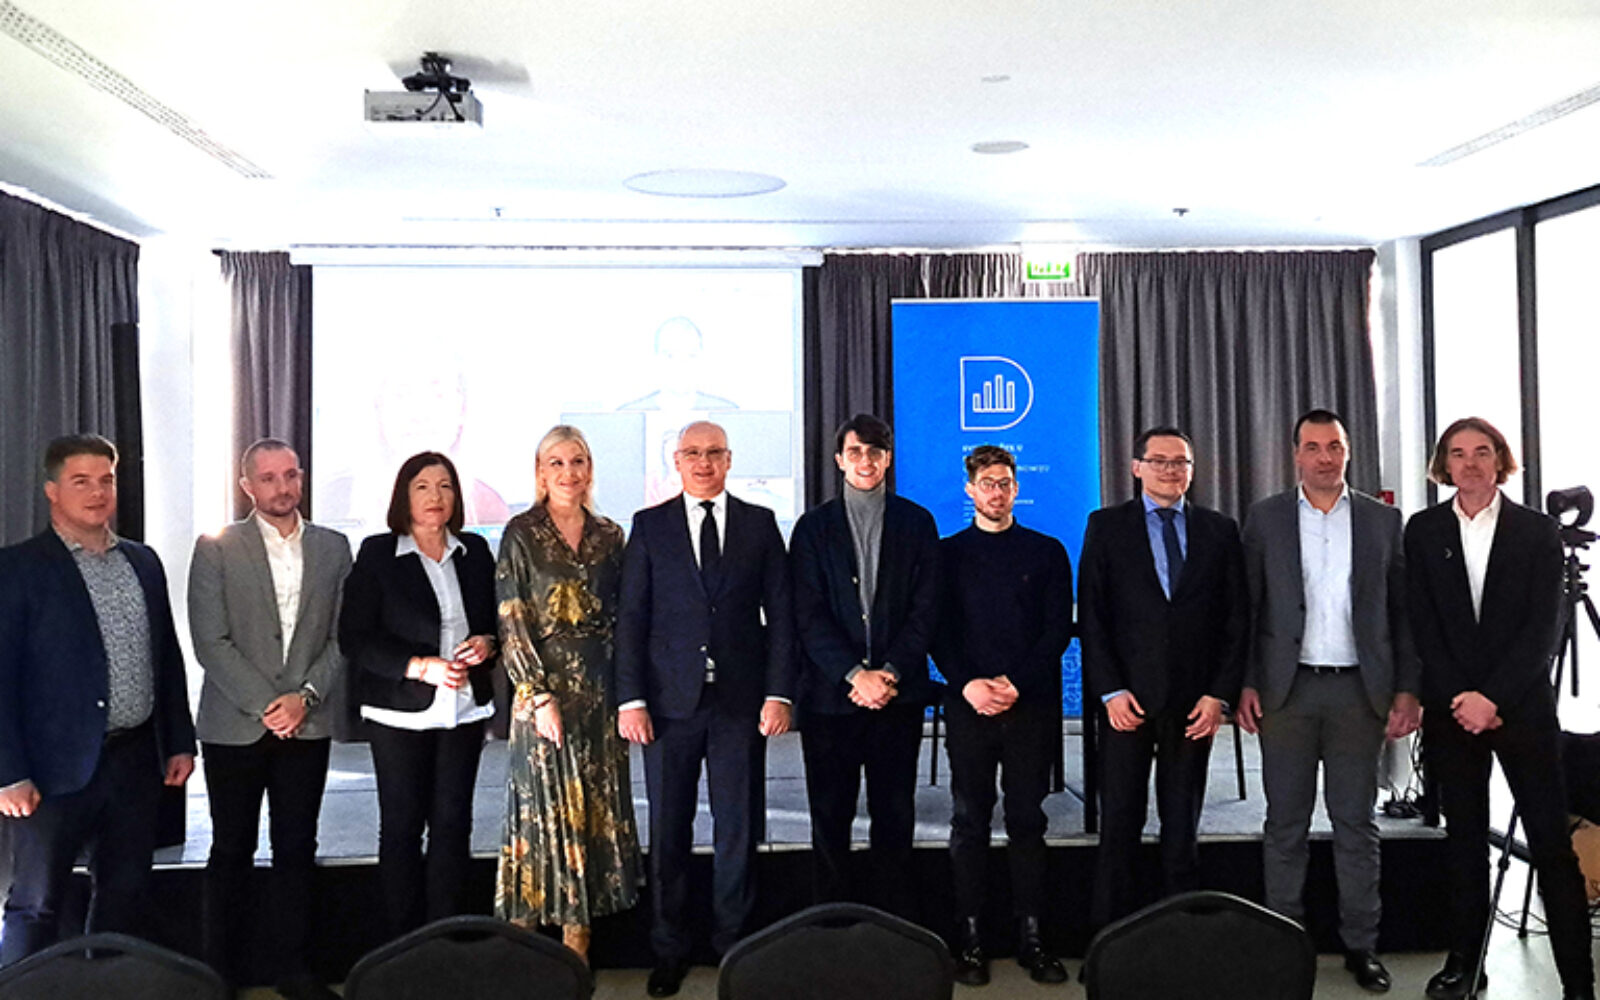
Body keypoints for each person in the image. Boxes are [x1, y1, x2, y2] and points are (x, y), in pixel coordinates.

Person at [1405, 417, 1594, 1000]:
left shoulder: (1537, 531)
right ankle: (1466, 963)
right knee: (1464, 845)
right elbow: (1423, 624)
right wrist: (1462, 698)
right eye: (1458, 453)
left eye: (1482, 452)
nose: (1470, 463)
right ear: (1444, 464)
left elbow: (1544, 628)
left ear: (1500, 460)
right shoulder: (1423, 529)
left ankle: (1577, 982)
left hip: (1521, 711)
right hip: (1452, 712)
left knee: (1552, 847)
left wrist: (1492, 698)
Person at [1237, 409, 1417, 993]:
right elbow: (1248, 609)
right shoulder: (1265, 518)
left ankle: (1362, 946)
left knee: (1356, 823)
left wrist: (1407, 688)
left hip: (1359, 693)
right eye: (1312, 447)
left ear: (1348, 451)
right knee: (1284, 824)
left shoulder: (1382, 521)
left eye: (1334, 446)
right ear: (1295, 454)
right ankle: (1284, 945)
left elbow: (1402, 614)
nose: (1324, 457)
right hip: (1285, 691)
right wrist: (1245, 682)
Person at [0, 434, 196, 965]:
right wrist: (8, 772)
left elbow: (166, 655)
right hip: (50, 771)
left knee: (125, 894)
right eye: (80, 481)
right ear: (52, 491)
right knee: (37, 903)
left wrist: (179, 740)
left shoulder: (143, 561)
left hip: (134, 761)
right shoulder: (17, 569)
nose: (97, 492)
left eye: (106, 479)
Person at [614, 420, 794, 998]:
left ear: (729, 459)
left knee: (737, 828)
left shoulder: (760, 524)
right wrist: (631, 700)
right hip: (668, 707)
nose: (703, 462)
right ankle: (668, 949)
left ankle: (733, 946)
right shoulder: (649, 526)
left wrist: (779, 693)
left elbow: (782, 616)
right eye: (692, 453)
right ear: (676, 461)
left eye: (714, 452)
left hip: (740, 704)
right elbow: (631, 620)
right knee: (668, 830)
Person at [187, 439, 350, 999]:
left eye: (290, 475)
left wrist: (305, 697)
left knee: (296, 848)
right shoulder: (216, 547)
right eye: (269, 478)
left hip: (308, 722)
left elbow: (342, 636)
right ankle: (218, 973)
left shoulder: (334, 547)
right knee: (230, 849)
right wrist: (268, 705)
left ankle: (294, 970)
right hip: (234, 726)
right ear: (247, 486)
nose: (282, 487)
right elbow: (210, 641)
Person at [1080, 426, 1247, 935]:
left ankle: (1182, 942)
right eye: (1159, 461)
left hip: (1195, 706)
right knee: (1119, 826)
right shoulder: (1106, 526)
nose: (1171, 470)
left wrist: (1219, 695)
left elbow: (1236, 620)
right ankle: (1110, 942)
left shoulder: (1220, 531)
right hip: (1126, 703)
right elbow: (1093, 616)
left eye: (1181, 462)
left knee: (1182, 830)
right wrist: (1110, 691)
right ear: (1137, 468)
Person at [494, 426, 641, 962]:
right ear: (540, 472)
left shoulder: (610, 535)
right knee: (543, 813)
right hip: (542, 694)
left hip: (600, 693)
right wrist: (538, 695)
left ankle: (578, 945)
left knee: (592, 811)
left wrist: (629, 694)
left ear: (590, 468)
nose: (568, 472)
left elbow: (628, 617)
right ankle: (525, 950)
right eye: (555, 462)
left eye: (577, 460)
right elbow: (512, 619)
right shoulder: (521, 533)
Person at [338, 451, 498, 938]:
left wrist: (487, 643)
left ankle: (445, 936)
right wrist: (419, 666)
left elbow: (493, 621)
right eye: (423, 487)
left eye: (445, 486)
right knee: (403, 825)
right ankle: (403, 941)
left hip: (463, 709)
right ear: (403, 496)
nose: (435, 496)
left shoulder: (474, 551)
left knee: (453, 823)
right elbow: (355, 637)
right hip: (399, 712)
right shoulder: (378, 554)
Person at [790, 413, 940, 918]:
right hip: (831, 700)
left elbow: (926, 609)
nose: (866, 461)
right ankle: (831, 928)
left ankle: (892, 925)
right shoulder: (812, 528)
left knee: (894, 817)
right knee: (829, 820)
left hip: (898, 697)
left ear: (888, 459)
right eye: (855, 452)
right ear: (839, 460)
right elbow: (807, 614)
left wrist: (890, 672)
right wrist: (855, 675)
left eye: (875, 452)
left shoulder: (918, 523)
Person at [933, 445, 1072, 985]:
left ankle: (1032, 939)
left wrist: (1016, 683)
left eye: (1005, 483)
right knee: (969, 820)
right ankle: (969, 941)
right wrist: (968, 684)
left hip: (1029, 706)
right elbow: (938, 631)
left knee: (1027, 821)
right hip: (968, 705)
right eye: (987, 483)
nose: (997, 492)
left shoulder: (1047, 551)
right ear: (970, 490)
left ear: (1017, 488)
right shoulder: (946, 554)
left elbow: (1056, 631)